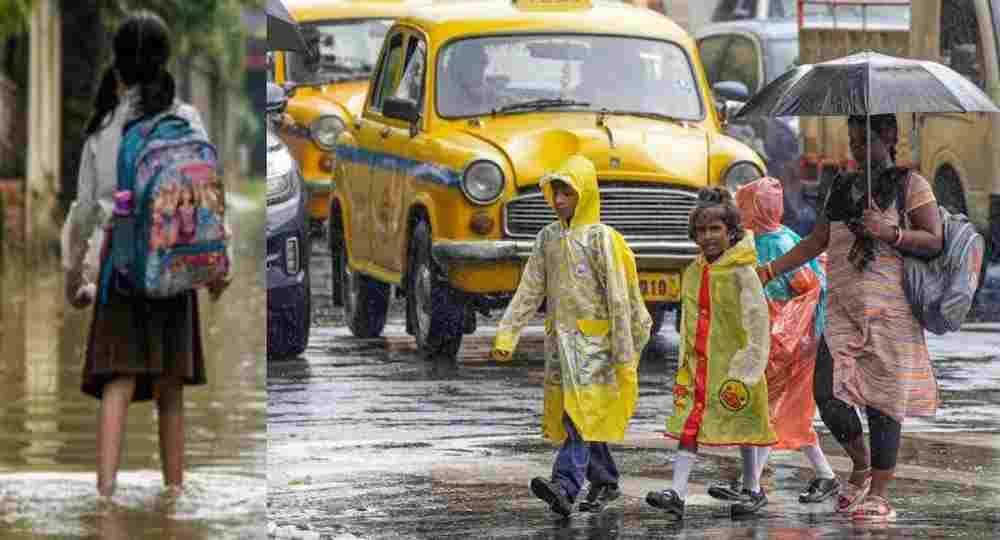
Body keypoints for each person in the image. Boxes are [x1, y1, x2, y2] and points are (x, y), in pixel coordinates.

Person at [61, 10, 231, 499]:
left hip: (122, 272)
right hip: (176, 270)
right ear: (164, 60)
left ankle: (105, 498)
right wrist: (220, 269)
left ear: (118, 65)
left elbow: (85, 215)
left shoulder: (106, 127)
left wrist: (75, 281)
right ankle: (175, 498)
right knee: (171, 388)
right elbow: (207, 198)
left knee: (117, 380)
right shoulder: (187, 119)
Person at [758, 114, 943, 520]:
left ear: (889, 137)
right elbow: (818, 240)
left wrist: (890, 233)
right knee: (827, 392)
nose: (857, 150)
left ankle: (879, 492)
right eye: (853, 141)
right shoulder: (841, 185)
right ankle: (859, 464)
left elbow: (934, 239)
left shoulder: (911, 185)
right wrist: (771, 270)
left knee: (882, 403)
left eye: (864, 141)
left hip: (890, 313)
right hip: (841, 307)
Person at [490, 155, 652, 517]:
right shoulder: (548, 237)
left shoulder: (601, 239)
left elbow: (620, 297)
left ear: (585, 193)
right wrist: (507, 332)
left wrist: (624, 351)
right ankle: (605, 479)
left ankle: (564, 485)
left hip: (597, 347)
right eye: (555, 192)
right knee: (581, 414)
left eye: (567, 192)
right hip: (561, 349)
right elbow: (531, 287)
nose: (559, 200)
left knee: (579, 417)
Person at [704, 177, 839, 504]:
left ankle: (751, 486)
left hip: (785, 342)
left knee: (763, 410)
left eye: (744, 205)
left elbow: (806, 286)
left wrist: (786, 327)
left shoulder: (777, 244)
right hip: (772, 338)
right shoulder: (761, 240)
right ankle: (822, 475)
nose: (739, 212)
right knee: (780, 410)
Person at [645, 188, 776, 519]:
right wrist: (685, 361)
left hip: (736, 366)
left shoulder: (742, 272)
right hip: (699, 366)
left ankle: (752, 488)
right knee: (690, 425)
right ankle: (677, 491)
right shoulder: (694, 271)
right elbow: (688, 320)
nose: (707, 237)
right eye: (701, 231)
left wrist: (749, 365)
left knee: (745, 422)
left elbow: (758, 321)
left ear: (730, 231)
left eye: (714, 229)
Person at [441, 42, 492, 116]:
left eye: (483, 63)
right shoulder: (449, 93)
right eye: (479, 63)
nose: (483, 68)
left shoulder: (488, 90)